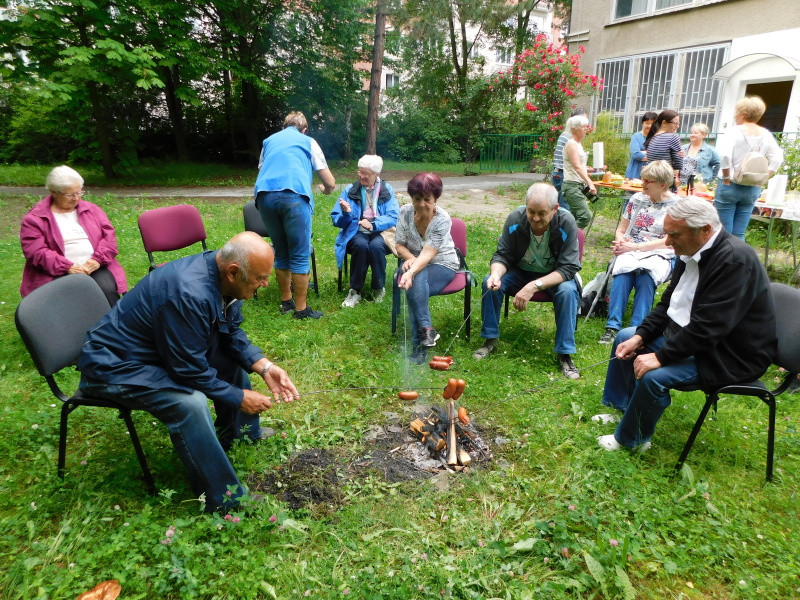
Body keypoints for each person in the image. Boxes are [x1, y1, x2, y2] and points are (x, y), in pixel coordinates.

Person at [77, 232, 300, 512]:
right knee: (189, 403)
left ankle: (240, 432)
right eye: (260, 278)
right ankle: (225, 500)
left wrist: (264, 366)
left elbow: (229, 332)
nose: (265, 284)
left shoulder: (226, 279)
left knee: (230, 362)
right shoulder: (188, 293)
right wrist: (238, 397)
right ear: (233, 272)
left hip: (154, 351)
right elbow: (188, 371)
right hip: (115, 365)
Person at [595, 197, 776, 450]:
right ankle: (623, 409)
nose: (668, 242)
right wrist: (642, 335)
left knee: (655, 376)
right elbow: (668, 303)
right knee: (627, 337)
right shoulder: (689, 250)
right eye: (667, 233)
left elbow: (709, 328)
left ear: (705, 231)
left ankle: (631, 440)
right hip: (695, 337)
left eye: (674, 235)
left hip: (729, 354)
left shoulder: (735, 261)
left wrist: (661, 356)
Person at [473, 183, 582, 380]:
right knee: (489, 282)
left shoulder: (566, 222)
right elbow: (502, 255)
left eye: (542, 213)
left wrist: (533, 286)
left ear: (555, 209)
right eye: (531, 211)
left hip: (554, 276)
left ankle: (564, 354)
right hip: (520, 272)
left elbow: (568, 268)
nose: (535, 218)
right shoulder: (516, 218)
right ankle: (490, 340)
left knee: (567, 291)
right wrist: (496, 274)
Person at [254, 111, 336, 319]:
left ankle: (286, 302)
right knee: (299, 254)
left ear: (284, 127)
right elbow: (330, 182)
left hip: (264, 197)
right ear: (304, 129)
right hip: (294, 196)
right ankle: (301, 309)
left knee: (280, 251)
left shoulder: (268, 141)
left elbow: (263, 169)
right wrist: (326, 190)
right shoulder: (308, 141)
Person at [20, 165, 127, 306]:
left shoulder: (92, 210)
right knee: (70, 299)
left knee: (106, 291)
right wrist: (67, 267)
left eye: (79, 192)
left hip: (95, 265)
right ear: (54, 192)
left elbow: (109, 237)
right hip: (56, 271)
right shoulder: (35, 218)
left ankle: (113, 320)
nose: (76, 198)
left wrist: (97, 260)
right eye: (70, 195)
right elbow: (36, 252)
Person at [599, 161, 678, 345]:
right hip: (631, 248)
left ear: (662, 185)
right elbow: (621, 229)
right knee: (623, 273)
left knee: (645, 276)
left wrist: (635, 248)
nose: (642, 184)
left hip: (660, 251)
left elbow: (670, 240)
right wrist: (621, 241)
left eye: (647, 181)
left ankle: (636, 330)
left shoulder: (676, 206)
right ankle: (612, 327)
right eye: (643, 179)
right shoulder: (637, 199)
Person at [395, 173, 459, 363]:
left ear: (435, 198)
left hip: (442, 264)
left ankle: (418, 346)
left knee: (414, 283)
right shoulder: (405, 212)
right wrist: (410, 259)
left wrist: (411, 271)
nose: (422, 204)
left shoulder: (442, 219)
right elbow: (399, 245)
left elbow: (429, 253)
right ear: (411, 198)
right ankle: (426, 331)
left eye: (427, 199)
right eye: (417, 199)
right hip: (414, 262)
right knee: (416, 283)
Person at [331, 154, 399, 307]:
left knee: (376, 246)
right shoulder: (350, 190)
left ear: (376, 174)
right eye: (360, 172)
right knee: (361, 245)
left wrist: (374, 224)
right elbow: (336, 219)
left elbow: (393, 216)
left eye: (366, 174)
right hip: (356, 231)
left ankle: (378, 287)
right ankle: (355, 291)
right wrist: (346, 214)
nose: (361, 176)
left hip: (381, 232)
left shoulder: (386, 189)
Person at [714, 96, 784, 239]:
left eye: (737, 112)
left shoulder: (733, 132)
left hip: (730, 185)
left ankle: (724, 254)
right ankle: (740, 254)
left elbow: (725, 156)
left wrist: (726, 177)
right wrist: (762, 179)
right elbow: (777, 159)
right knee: (739, 233)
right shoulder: (766, 134)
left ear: (743, 114)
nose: (735, 115)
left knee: (723, 233)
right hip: (752, 187)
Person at [560, 114, 597, 229]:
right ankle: (568, 236)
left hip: (579, 184)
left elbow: (579, 165)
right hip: (572, 185)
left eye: (586, 126)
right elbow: (576, 167)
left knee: (574, 216)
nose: (586, 129)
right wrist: (590, 183)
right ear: (574, 129)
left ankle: (566, 236)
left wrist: (590, 169)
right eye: (583, 127)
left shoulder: (578, 144)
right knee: (585, 216)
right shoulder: (571, 144)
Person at [551, 108, 587, 212]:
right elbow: (573, 164)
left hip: (560, 173)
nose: (585, 126)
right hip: (563, 175)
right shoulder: (569, 139)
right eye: (583, 123)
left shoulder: (567, 136)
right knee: (565, 209)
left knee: (561, 208)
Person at [644, 110, 684, 191]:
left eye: (678, 123)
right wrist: (682, 156)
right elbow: (679, 165)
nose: (677, 126)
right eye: (675, 123)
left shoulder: (652, 138)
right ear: (664, 122)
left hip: (652, 180)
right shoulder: (673, 137)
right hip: (666, 182)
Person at [680, 123, 720, 190]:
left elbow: (717, 164)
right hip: (682, 184)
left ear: (704, 135)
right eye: (691, 133)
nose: (692, 135)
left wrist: (711, 180)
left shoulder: (710, 150)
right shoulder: (683, 148)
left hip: (700, 185)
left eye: (695, 133)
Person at [625, 112, 657, 180]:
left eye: (652, 124)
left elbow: (660, 156)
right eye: (647, 123)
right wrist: (653, 156)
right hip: (635, 171)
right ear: (642, 123)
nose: (649, 126)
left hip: (651, 174)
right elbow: (636, 154)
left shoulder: (657, 138)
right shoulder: (636, 136)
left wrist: (643, 153)